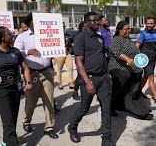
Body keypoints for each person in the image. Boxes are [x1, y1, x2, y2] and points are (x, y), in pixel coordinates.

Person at [67, 12, 115, 146]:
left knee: (106, 108)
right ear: (86, 22)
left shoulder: (99, 37)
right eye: (94, 21)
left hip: (104, 78)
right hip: (90, 78)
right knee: (84, 108)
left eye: (97, 20)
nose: (97, 23)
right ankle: (72, 126)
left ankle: (106, 138)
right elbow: (79, 62)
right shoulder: (80, 38)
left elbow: (104, 55)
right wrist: (88, 83)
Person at [0, 27, 32, 146]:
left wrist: (28, 82)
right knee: (7, 120)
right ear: (2, 37)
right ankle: (12, 143)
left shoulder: (16, 51)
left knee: (12, 118)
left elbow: (25, 68)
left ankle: (6, 141)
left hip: (15, 88)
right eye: (9, 34)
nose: (12, 35)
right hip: (0, 89)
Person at [14, 13, 58, 139]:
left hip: (47, 71)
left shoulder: (48, 34)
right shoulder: (22, 37)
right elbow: (16, 52)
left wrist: (57, 50)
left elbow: (55, 47)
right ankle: (27, 121)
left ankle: (49, 127)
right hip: (31, 73)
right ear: (29, 23)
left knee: (49, 100)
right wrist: (28, 51)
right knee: (31, 102)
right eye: (35, 20)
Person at [54, 23, 74, 90]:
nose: (63, 27)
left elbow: (70, 43)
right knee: (59, 69)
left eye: (64, 26)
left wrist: (71, 45)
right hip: (59, 54)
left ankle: (71, 82)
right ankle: (59, 83)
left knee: (70, 68)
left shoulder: (66, 35)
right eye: (62, 26)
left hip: (67, 53)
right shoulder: (55, 35)